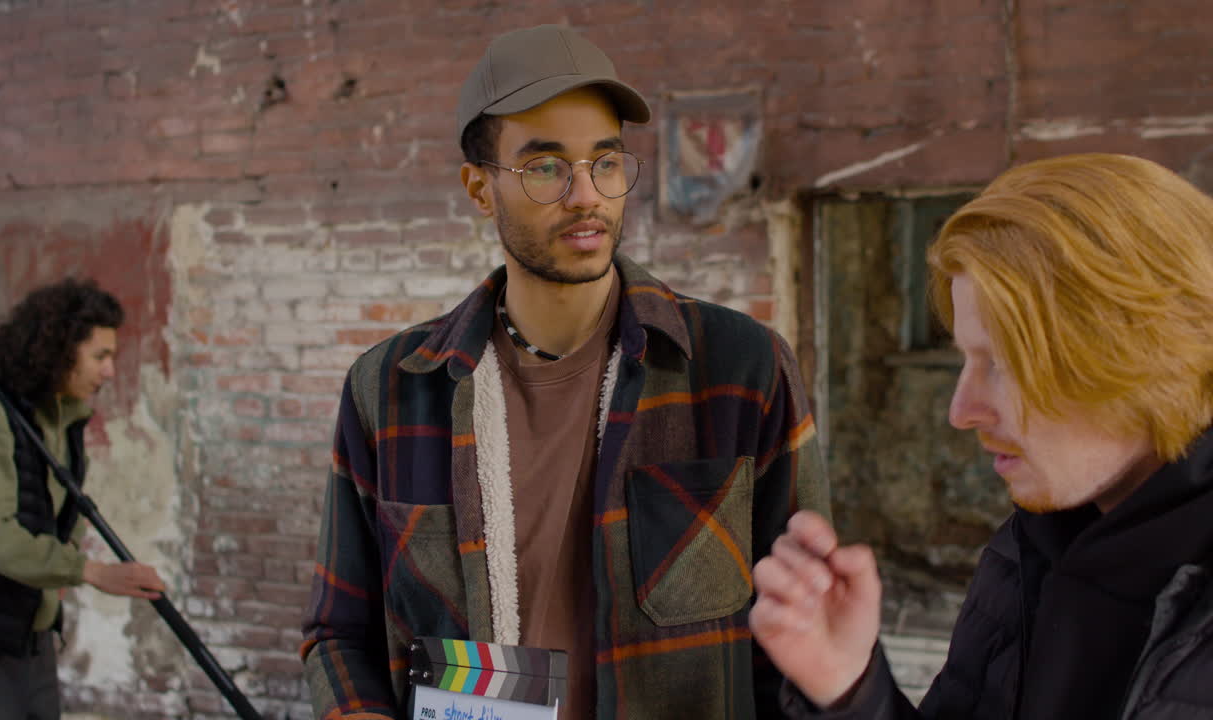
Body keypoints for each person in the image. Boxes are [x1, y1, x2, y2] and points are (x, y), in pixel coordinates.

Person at [301, 23, 829, 720]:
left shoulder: (739, 369)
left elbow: (808, 640)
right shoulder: (393, 389)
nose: (586, 196)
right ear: (480, 188)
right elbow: (340, 633)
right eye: (546, 167)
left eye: (605, 163)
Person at [749, 153, 1213, 719]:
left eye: (1006, 363)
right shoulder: (1029, 547)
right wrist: (851, 689)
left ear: (1146, 353)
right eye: (964, 361)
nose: (961, 411)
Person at [0, 278, 166, 720]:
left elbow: (65, 515)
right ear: (58, 351)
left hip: (31, 636)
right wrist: (92, 571)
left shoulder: (60, 422)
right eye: (100, 356)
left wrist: (65, 560)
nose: (110, 371)